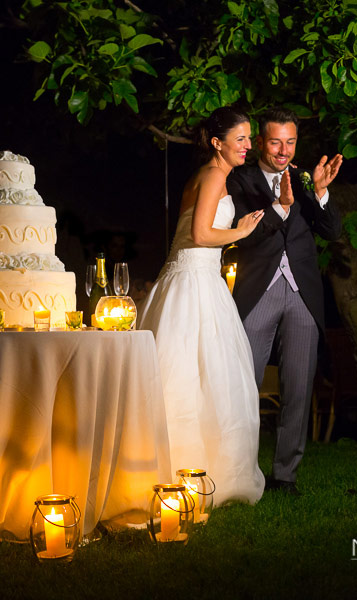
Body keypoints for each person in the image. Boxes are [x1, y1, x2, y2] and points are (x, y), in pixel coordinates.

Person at [138, 107, 266, 505]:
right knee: (189, 378)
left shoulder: (209, 176)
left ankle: (203, 467)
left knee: (209, 377)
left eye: (249, 138)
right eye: (241, 139)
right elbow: (200, 233)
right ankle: (186, 468)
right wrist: (239, 232)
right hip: (194, 281)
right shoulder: (212, 176)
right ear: (217, 142)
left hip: (196, 277)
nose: (248, 145)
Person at [226, 107, 343, 495]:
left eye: (290, 142)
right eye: (276, 141)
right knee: (244, 384)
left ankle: (285, 476)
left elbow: (331, 231)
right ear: (260, 141)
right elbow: (245, 237)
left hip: (302, 294)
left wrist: (322, 192)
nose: (283, 150)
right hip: (258, 288)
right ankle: (236, 471)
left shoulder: (306, 178)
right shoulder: (239, 179)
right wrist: (281, 208)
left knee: (297, 388)